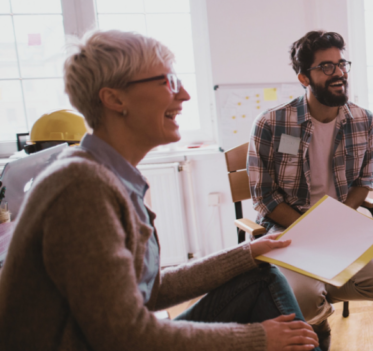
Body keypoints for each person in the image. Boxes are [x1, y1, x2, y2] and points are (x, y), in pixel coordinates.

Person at [0, 30, 320, 351]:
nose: (184, 96)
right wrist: (259, 338)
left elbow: (150, 291)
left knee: (260, 274)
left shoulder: (107, 175)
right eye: (167, 81)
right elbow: (124, 336)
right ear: (114, 99)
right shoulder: (82, 187)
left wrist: (247, 253)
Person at [248, 30, 373, 350]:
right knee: (300, 295)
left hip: (338, 224)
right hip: (289, 226)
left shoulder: (364, 121)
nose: (339, 73)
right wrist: (311, 232)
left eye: (342, 64)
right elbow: (265, 196)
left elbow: (363, 184)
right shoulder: (272, 124)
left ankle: (315, 297)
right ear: (304, 77)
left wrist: (335, 224)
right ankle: (317, 321)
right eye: (326, 67)